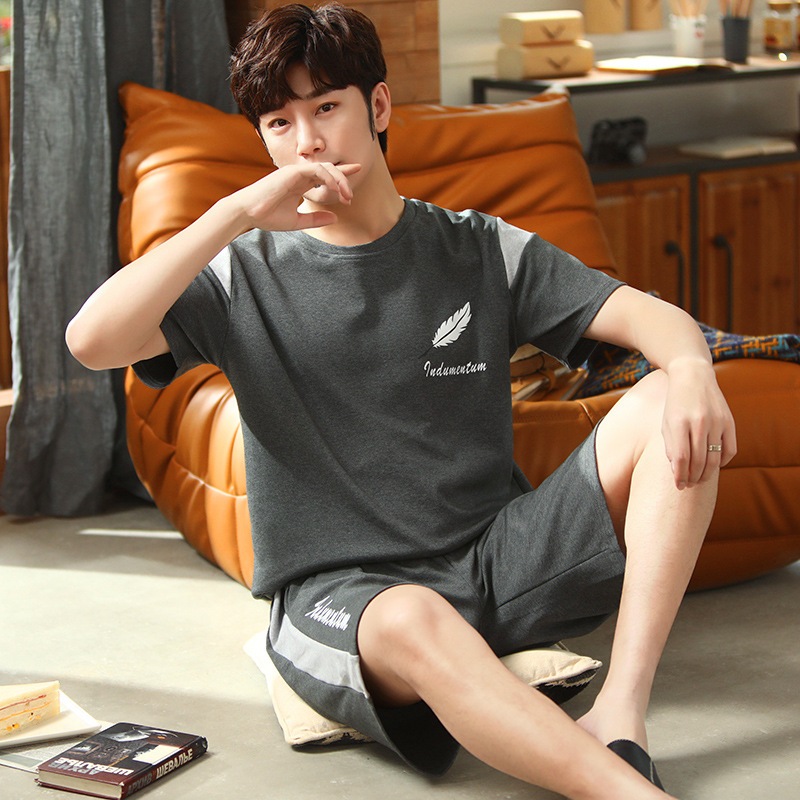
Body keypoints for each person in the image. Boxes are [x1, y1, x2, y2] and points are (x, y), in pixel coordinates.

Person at [66, 4, 736, 798]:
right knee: (416, 615)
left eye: (326, 107)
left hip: (496, 562)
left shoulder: (478, 247)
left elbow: (654, 320)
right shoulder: (241, 275)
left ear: (378, 106)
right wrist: (234, 212)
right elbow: (92, 341)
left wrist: (692, 371)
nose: (308, 142)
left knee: (667, 396)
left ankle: (621, 713)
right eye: (279, 123)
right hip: (348, 601)